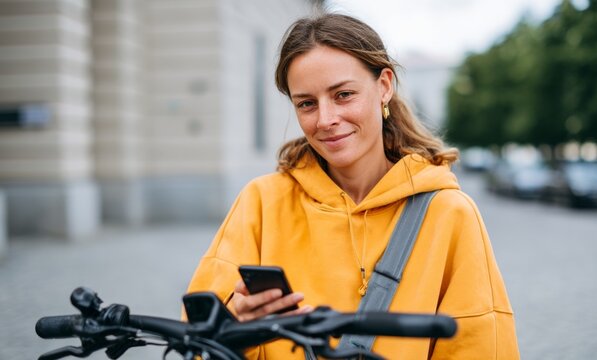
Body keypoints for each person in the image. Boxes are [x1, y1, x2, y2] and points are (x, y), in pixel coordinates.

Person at [187, 13, 520, 359]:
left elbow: (481, 345)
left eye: (343, 94)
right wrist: (235, 332)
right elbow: (196, 343)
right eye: (306, 103)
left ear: (384, 86)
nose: (325, 119)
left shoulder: (450, 213)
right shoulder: (260, 202)